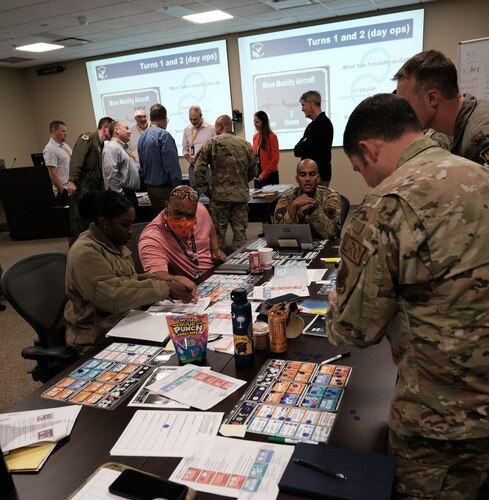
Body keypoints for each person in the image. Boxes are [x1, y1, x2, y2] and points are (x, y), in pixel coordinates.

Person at [325, 93, 489, 499]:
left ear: (367, 149)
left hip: (441, 426)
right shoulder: (480, 175)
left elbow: (352, 329)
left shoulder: (387, 204)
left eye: (359, 169)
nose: (365, 179)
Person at [65, 190, 194, 352]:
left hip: (125, 324)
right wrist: (164, 288)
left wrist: (164, 281)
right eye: (125, 225)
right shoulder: (85, 252)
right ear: (104, 222)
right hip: (96, 341)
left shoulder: (113, 242)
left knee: (185, 338)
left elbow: (128, 281)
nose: (131, 230)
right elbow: (112, 295)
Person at [394, 49, 489, 166]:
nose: (402, 112)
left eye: (406, 104)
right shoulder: (471, 120)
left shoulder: (478, 142)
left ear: (432, 98)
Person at [139, 185, 227, 293]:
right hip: (189, 288)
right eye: (178, 213)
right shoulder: (152, 237)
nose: (183, 220)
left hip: (214, 275)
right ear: (167, 206)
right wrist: (175, 279)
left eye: (190, 216)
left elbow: (211, 230)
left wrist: (215, 250)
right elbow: (157, 276)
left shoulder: (200, 210)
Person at [194, 114, 257, 251]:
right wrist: (241, 183)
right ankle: (242, 263)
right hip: (240, 198)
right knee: (240, 234)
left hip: (219, 198)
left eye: (216, 127)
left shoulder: (213, 142)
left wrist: (204, 189)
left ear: (221, 126)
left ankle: (218, 267)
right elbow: (254, 170)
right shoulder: (245, 144)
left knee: (218, 236)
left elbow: (198, 167)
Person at [67, 116, 114, 240]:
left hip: (93, 186)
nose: (114, 132)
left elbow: (99, 171)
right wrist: (72, 180)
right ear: (104, 127)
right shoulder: (87, 138)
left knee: (91, 220)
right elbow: (77, 159)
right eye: (112, 129)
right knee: (80, 220)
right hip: (82, 185)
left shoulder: (101, 145)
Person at [273, 159, 341, 239]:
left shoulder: (330, 196)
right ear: (297, 178)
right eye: (303, 175)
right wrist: (292, 208)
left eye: (312, 174)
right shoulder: (287, 197)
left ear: (318, 177)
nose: (308, 179)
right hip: (295, 245)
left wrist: (314, 210)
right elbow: (278, 233)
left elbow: (332, 233)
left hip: (322, 244)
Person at [138, 103, 181, 215]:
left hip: (150, 189)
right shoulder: (164, 136)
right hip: (165, 190)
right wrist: (178, 187)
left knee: (160, 223)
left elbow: (142, 164)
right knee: (172, 222)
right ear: (164, 118)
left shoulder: (142, 136)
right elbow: (172, 166)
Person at [294, 90, 334, 186]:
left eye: (303, 105)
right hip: (312, 177)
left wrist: (303, 144)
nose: (302, 109)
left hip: (318, 177)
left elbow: (302, 149)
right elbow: (297, 150)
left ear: (311, 103)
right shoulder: (312, 126)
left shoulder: (323, 124)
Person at [102, 120, 140, 213]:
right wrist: (120, 197)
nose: (130, 131)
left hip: (128, 194)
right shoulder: (112, 148)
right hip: (123, 196)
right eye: (126, 128)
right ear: (117, 130)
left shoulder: (120, 148)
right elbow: (111, 174)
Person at [182, 105, 215, 187]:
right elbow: (185, 149)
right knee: (194, 194)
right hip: (193, 167)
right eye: (190, 119)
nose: (193, 122)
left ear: (201, 116)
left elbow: (216, 149)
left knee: (209, 192)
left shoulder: (211, 128)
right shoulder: (187, 129)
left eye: (195, 119)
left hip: (207, 167)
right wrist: (189, 159)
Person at [43, 120, 72, 205]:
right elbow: (53, 174)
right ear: (54, 131)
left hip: (71, 187)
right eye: (63, 131)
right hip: (64, 191)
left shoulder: (65, 146)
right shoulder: (50, 149)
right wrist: (63, 192)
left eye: (66, 131)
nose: (65, 133)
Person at [252, 110, 279, 188]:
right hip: (258, 174)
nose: (255, 125)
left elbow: (275, 159)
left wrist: (264, 174)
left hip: (270, 175)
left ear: (263, 122)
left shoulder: (272, 136)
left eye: (257, 122)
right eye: (254, 122)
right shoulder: (255, 136)